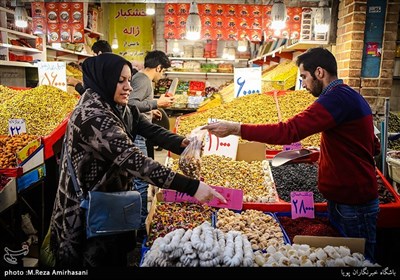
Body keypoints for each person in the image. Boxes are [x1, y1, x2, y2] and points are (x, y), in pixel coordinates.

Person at [202, 47, 381, 263]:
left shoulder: (336, 100)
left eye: (304, 77)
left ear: (320, 73)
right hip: (347, 198)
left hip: (354, 203)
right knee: (346, 260)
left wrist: (236, 128)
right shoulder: (349, 96)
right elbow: (372, 145)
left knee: (360, 262)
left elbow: (288, 131)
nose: (303, 84)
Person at [49, 53, 225, 267]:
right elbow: (136, 163)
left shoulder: (116, 106)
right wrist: (192, 187)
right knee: (91, 261)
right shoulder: (93, 116)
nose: (128, 88)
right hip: (85, 212)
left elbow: (146, 128)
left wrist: (182, 143)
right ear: (103, 79)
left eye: (129, 80)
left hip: (109, 202)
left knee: (114, 255)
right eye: (120, 81)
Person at [128, 50, 175, 236]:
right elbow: (131, 104)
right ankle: (139, 226)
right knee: (141, 180)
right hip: (137, 136)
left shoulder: (140, 79)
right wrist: (157, 104)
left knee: (141, 179)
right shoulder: (143, 80)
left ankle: (138, 222)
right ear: (158, 67)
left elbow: (138, 106)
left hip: (140, 132)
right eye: (162, 72)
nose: (161, 76)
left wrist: (150, 111)